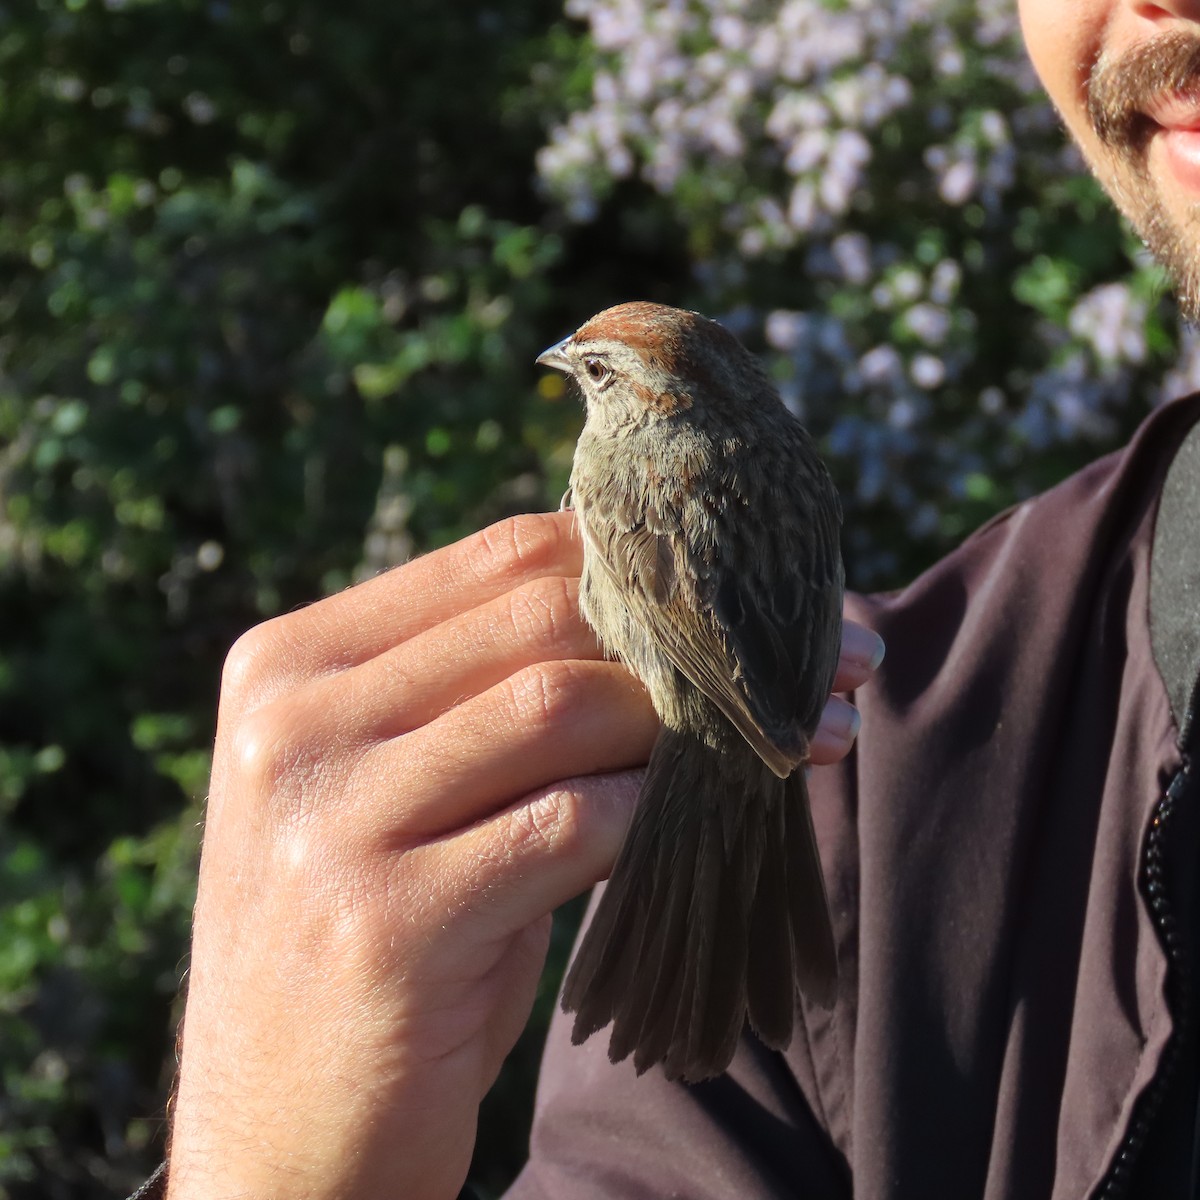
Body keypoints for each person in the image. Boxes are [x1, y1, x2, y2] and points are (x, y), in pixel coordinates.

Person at [146, 1, 1200, 1197]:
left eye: (591, 373)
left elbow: (689, 607)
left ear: (639, 400)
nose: (568, 379)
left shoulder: (627, 475)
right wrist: (274, 1169)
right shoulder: (888, 812)